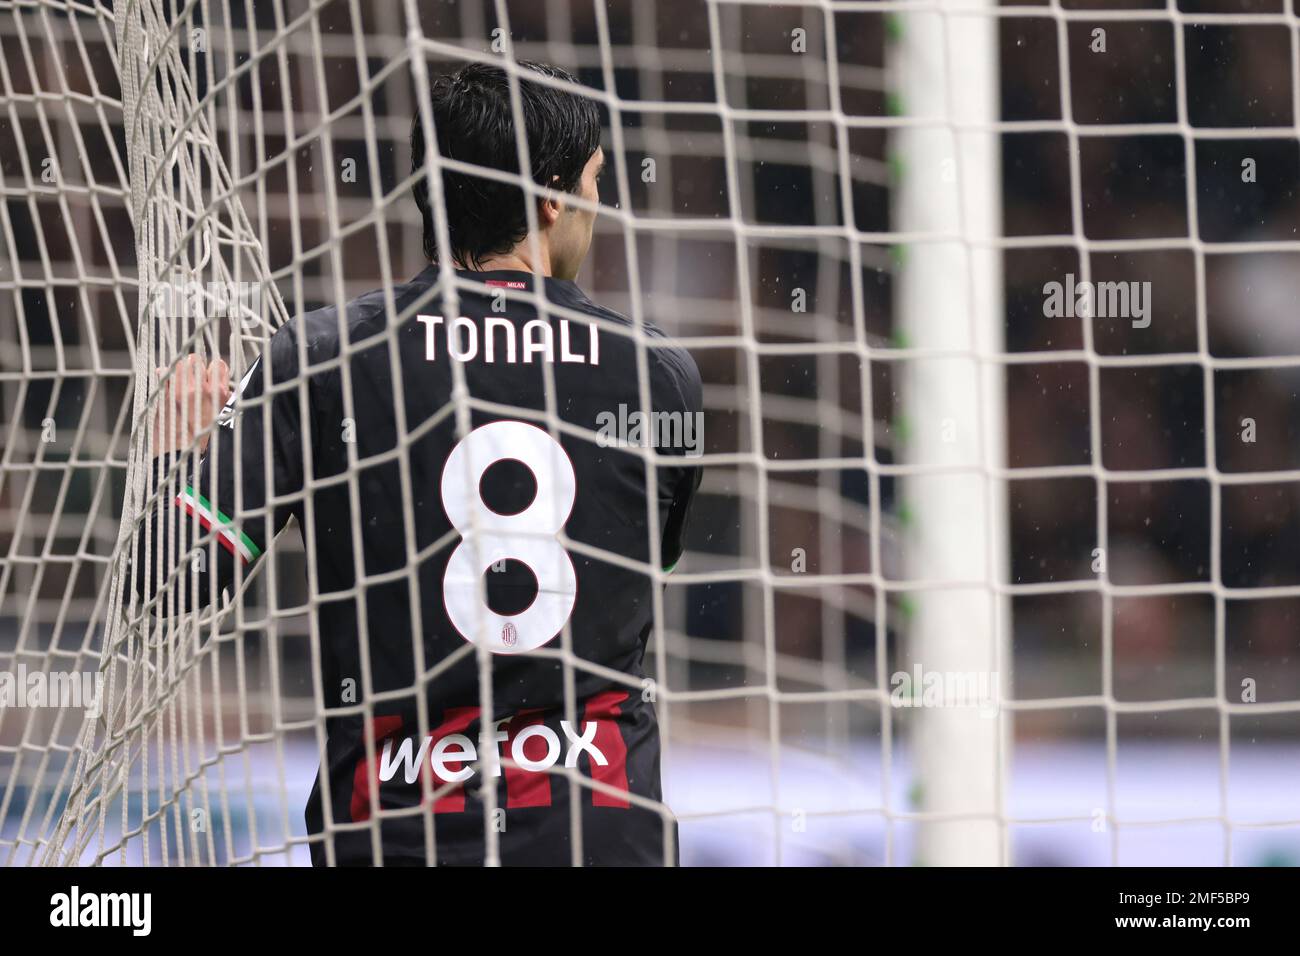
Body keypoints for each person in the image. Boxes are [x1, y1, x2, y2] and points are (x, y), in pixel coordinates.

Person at [139, 61, 703, 866]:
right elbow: (655, 566)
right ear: (552, 199)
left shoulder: (323, 359)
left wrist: (174, 455)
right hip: (597, 831)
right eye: (594, 183)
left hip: (399, 827)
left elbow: (171, 583)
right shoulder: (659, 377)